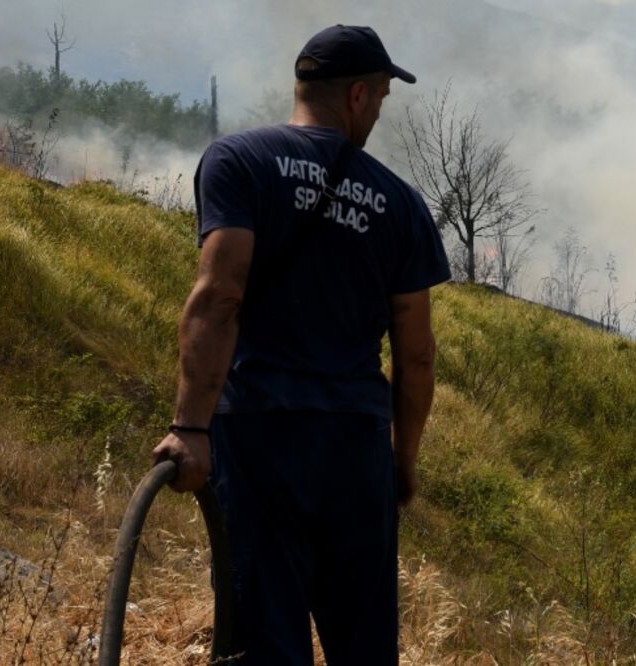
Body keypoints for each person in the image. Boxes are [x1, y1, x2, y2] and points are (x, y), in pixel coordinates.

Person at [151, 24, 451, 664]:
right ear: (360, 96)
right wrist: (401, 461)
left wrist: (191, 429)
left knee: (264, 641)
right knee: (363, 647)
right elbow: (417, 355)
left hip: (259, 440)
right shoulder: (401, 204)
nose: (378, 113)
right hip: (355, 447)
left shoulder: (238, 161)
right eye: (381, 101)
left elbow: (219, 296)